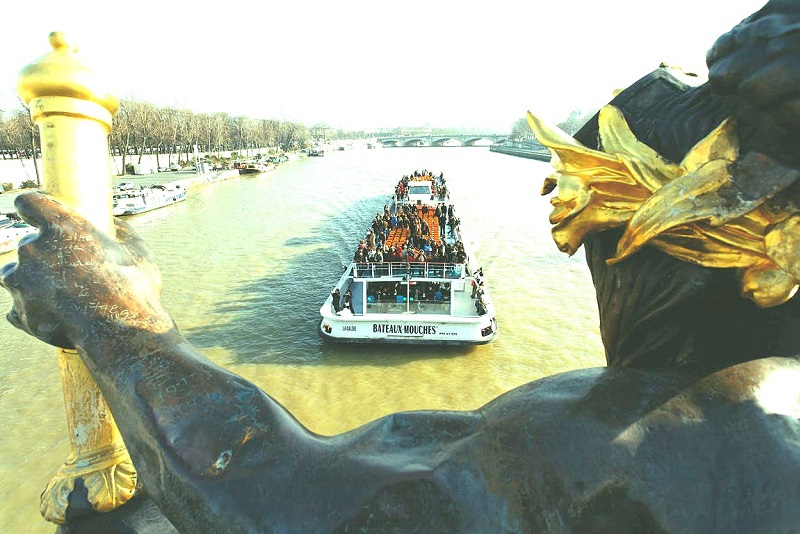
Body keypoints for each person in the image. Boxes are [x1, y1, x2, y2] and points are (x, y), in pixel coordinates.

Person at [3, 4, 800, 531]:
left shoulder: (671, 429)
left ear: (727, 236)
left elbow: (284, 499)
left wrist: (110, 313)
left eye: (597, 241)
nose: (602, 281)